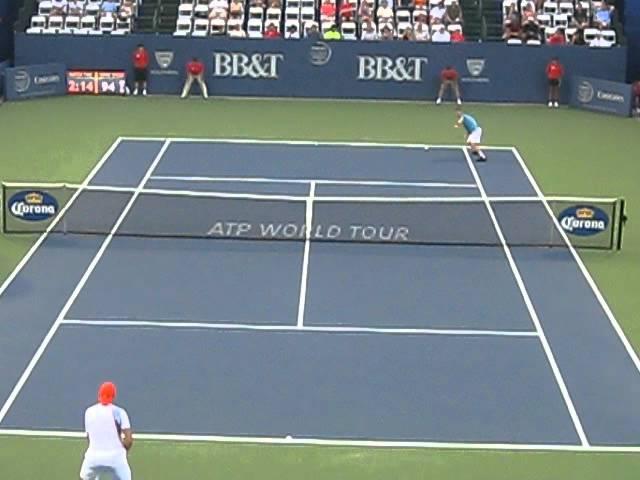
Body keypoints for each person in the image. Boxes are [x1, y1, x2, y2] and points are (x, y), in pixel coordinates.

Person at [80, 382, 133, 480]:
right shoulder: (120, 412)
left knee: (83, 477)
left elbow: (89, 437)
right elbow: (129, 440)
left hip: (93, 458)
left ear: (99, 394)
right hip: (116, 458)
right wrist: (123, 449)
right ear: (114, 395)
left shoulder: (89, 412)